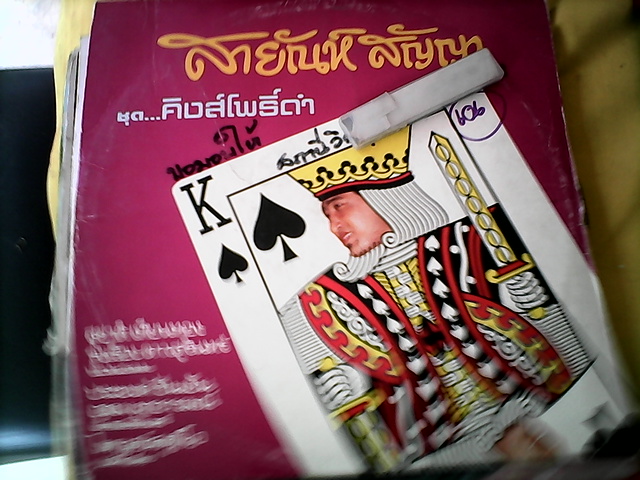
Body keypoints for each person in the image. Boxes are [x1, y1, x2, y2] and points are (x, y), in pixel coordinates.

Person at [278, 127, 591, 472]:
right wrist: (340, 385)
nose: (334, 226)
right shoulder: (322, 298)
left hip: (529, 402)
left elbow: (557, 333)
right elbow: (338, 383)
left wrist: (532, 302)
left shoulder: (472, 237)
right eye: (327, 214)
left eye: (339, 207)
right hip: (436, 453)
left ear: (384, 197)